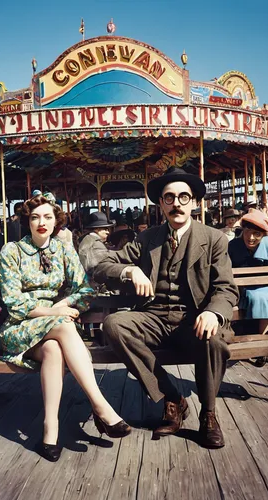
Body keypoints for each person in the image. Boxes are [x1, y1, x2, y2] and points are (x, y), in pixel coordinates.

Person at [94, 165, 239, 449]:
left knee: (214, 340)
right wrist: (129, 271)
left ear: (195, 203)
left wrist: (213, 312)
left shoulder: (214, 239)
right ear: (160, 203)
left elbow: (226, 288)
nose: (176, 204)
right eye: (169, 198)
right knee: (114, 325)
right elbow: (101, 267)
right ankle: (173, 397)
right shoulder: (148, 239)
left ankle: (208, 414)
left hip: (194, 320)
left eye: (183, 197)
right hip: (154, 318)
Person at [0, 194, 130, 463]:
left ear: (56, 221)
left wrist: (64, 303)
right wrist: (54, 311)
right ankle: (100, 404)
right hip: (20, 329)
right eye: (35, 217)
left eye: (47, 217)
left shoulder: (63, 250)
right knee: (63, 326)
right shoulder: (11, 251)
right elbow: (14, 303)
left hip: (54, 331)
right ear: (28, 221)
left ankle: (50, 427)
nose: (41, 222)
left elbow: (84, 290)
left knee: (53, 349)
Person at [228, 209, 268, 340]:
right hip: (243, 290)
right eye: (247, 232)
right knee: (261, 298)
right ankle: (263, 344)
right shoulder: (232, 246)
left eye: (257, 234)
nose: (251, 238)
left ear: (264, 235)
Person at [78, 211, 115, 277]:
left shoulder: (87, 239)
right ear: (97, 229)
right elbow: (105, 264)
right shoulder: (96, 244)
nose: (108, 232)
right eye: (105, 229)